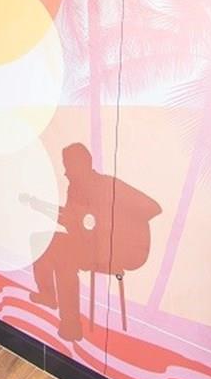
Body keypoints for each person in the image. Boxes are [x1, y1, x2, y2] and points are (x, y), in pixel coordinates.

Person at [27, 143, 161, 341]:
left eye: (68, 167)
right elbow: (74, 225)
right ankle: (47, 295)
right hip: (89, 247)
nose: (65, 173)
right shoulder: (74, 190)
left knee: (64, 255)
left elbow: (153, 207)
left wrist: (110, 225)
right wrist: (42, 207)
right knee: (40, 239)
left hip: (118, 252)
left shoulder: (107, 185)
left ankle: (71, 325)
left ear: (82, 165)